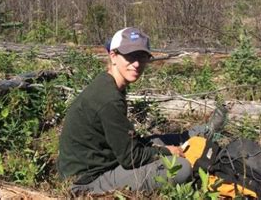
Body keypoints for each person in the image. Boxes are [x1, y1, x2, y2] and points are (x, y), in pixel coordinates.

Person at [56, 27, 227, 194]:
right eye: (130, 57)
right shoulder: (108, 98)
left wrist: (162, 147)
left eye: (142, 57)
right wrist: (168, 151)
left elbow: (126, 144)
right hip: (88, 180)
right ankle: (198, 143)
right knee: (181, 168)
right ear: (113, 56)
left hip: (103, 160)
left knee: (159, 141)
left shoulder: (108, 83)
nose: (137, 64)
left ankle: (202, 134)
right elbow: (131, 157)